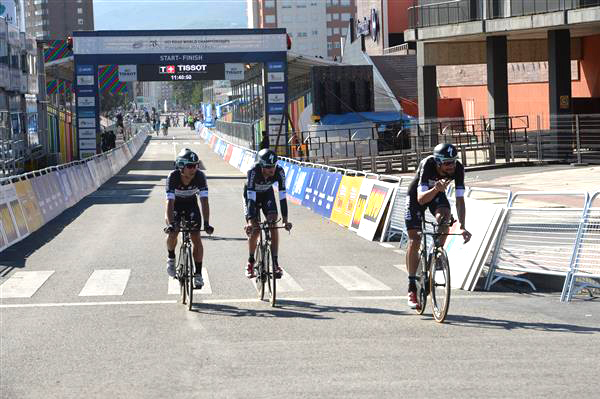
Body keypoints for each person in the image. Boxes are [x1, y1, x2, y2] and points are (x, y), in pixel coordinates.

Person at [404, 143, 472, 310]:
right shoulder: (428, 164)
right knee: (415, 239)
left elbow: (460, 200)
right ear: (438, 162)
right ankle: (412, 286)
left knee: (445, 217)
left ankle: (435, 255)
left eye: (453, 162)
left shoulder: (458, 169)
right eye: (447, 163)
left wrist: (462, 225)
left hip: (436, 193)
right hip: (418, 195)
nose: (451, 166)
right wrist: (436, 188)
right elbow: (420, 199)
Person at [165, 148, 214, 289]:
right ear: (181, 166)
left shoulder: (200, 176)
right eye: (190, 166)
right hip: (175, 205)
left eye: (196, 165)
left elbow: (204, 201)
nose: (194, 169)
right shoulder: (172, 177)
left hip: (191, 204)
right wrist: (171, 224)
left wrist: (206, 223)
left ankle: (198, 274)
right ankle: (171, 258)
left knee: (196, 238)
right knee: (173, 232)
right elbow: (169, 202)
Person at [243, 149, 292, 279]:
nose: (272, 170)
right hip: (251, 196)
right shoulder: (253, 171)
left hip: (266, 194)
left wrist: (285, 220)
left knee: (273, 224)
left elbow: (282, 197)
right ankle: (251, 261)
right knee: (256, 229)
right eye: (268, 167)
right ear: (261, 165)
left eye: (274, 166)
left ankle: (275, 263)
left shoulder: (280, 172)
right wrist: (249, 222)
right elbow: (251, 199)